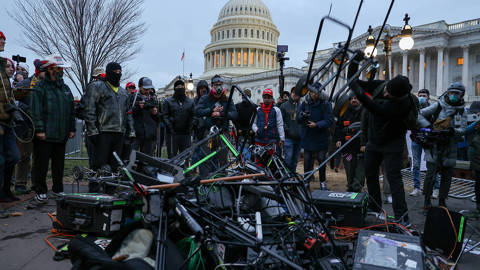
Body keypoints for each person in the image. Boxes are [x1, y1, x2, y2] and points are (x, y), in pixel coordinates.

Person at [350, 75, 414, 226]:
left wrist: (357, 90)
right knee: (370, 174)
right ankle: (374, 206)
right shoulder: (382, 86)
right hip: (374, 141)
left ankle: (402, 216)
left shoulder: (402, 105)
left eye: (389, 95)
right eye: (386, 90)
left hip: (393, 143)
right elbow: (357, 82)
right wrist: (354, 63)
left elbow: (369, 104)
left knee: (394, 179)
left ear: (398, 97)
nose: (385, 94)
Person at [30, 55, 75, 204]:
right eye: (58, 68)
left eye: (62, 68)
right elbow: (36, 111)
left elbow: (71, 110)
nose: (61, 71)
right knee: (41, 164)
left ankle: (57, 189)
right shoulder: (40, 87)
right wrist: (40, 129)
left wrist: (72, 128)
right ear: (49, 69)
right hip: (45, 134)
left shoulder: (66, 88)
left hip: (61, 134)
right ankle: (40, 190)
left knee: (59, 164)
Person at [418, 82, 467, 210]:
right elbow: (420, 114)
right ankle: (426, 200)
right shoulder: (439, 105)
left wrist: (452, 131)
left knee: (447, 176)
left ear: (461, 95)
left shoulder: (462, 110)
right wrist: (429, 127)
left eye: (457, 93)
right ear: (447, 92)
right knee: (430, 175)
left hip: (450, 146)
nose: (453, 96)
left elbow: (463, 128)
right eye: (452, 93)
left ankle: (442, 200)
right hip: (435, 144)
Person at [83, 62, 135, 170]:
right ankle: (95, 187)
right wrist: (92, 131)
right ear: (108, 73)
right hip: (102, 133)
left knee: (115, 167)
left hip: (119, 133)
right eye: (115, 72)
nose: (118, 74)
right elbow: (89, 110)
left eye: (120, 72)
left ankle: (111, 188)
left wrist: (131, 131)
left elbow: (128, 113)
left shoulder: (123, 93)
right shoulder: (97, 87)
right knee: (99, 167)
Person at [12, 59, 46, 195]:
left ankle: (36, 183)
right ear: (38, 71)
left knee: (39, 157)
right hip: (26, 125)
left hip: (41, 126)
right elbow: (14, 101)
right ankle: (20, 183)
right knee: (24, 156)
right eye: (44, 71)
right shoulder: (26, 84)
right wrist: (27, 111)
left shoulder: (47, 86)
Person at [195, 75, 238, 173]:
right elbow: (197, 111)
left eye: (220, 84)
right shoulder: (205, 98)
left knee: (223, 159)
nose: (218, 87)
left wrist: (221, 114)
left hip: (223, 132)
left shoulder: (227, 99)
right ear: (212, 85)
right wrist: (211, 111)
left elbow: (234, 114)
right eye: (216, 85)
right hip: (209, 131)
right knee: (206, 159)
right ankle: (206, 183)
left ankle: (222, 182)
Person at [298, 83, 333, 190]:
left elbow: (329, 120)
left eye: (316, 92)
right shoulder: (305, 103)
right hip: (308, 136)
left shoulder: (325, 104)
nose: (314, 94)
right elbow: (298, 118)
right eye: (312, 92)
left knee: (321, 160)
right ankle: (307, 181)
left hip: (321, 137)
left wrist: (317, 124)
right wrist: (302, 116)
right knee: (307, 161)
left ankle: (322, 183)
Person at [409, 89, 439, 197]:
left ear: (428, 98)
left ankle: (436, 188)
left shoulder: (433, 110)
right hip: (416, 139)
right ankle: (416, 188)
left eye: (424, 95)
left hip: (429, 140)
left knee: (431, 164)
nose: (422, 97)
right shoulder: (414, 109)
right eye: (420, 95)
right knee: (416, 165)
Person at [0, 55, 20, 208]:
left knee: (13, 157)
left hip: (9, 125)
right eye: (7, 66)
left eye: (12, 66)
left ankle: (6, 189)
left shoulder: (9, 84)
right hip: (1, 123)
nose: (11, 69)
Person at [334, 95, 365, 192]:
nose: (353, 100)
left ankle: (357, 189)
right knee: (349, 171)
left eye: (356, 98)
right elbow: (338, 127)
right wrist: (338, 139)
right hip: (347, 148)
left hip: (360, 148)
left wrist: (364, 144)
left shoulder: (365, 112)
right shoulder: (345, 112)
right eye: (351, 99)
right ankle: (350, 188)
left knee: (359, 172)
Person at [163, 79, 195, 157]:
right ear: (175, 89)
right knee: (172, 157)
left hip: (185, 134)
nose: (180, 88)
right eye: (178, 87)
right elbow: (165, 116)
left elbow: (193, 116)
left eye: (182, 86)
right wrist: (170, 128)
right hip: (172, 134)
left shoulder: (190, 102)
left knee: (185, 157)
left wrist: (189, 128)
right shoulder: (168, 101)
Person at [252, 89, 285, 161]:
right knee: (259, 162)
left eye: (269, 97)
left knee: (271, 162)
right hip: (259, 141)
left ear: (272, 98)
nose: (267, 99)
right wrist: (257, 130)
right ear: (263, 98)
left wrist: (282, 138)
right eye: (265, 97)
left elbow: (280, 124)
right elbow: (253, 123)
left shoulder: (276, 110)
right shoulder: (257, 110)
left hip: (272, 141)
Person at [133, 78, 160, 156]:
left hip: (150, 135)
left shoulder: (154, 98)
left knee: (148, 160)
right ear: (140, 87)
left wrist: (156, 113)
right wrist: (138, 108)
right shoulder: (133, 97)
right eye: (145, 89)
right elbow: (129, 113)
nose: (147, 91)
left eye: (149, 89)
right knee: (133, 157)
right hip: (137, 134)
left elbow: (159, 118)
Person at [280, 87, 302, 172]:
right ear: (291, 93)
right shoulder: (284, 106)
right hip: (288, 137)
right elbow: (281, 121)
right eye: (293, 92)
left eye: (296, 93)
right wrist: (287, 130)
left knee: (295, 160)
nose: (295, 94)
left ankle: (292, 177)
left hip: (299, 138)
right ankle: (287, 176)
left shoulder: (302, 106)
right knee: (288, 159)